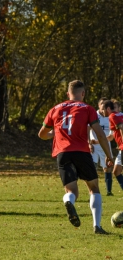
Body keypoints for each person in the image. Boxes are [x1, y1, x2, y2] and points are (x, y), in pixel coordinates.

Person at [38, 80, 113, 235]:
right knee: (93, 188)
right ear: (83, 93)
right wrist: (109, 155)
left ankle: (68, 201)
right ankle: (97, 226)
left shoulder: (55, 109)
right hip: (82, 152)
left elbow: (42, 134)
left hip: (63, 153)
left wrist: (56, 133)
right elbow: (99, 133)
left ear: (67, 94)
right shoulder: (87, 109)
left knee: (72, 191)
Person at [89, 97, 113, 196]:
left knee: (108, 168)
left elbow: (112, 136)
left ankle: (109, 191)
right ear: (99, 105)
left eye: (105, 104)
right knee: (92, 168)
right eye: (101, 104)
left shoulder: (111, 117)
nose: (103, 106)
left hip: (105, 145)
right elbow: (87, 129)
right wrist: (89, 142)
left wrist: (99, 141)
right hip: (93, 146)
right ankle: (93, 190)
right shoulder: (93, 115)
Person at [102, 100, 123, 190]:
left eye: (103, 109)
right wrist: (99, 141)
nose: (102, 112)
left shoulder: (112, 116)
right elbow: (112, 136)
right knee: (116, 171)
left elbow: (121, 127)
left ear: (108, 109)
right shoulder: (119, 115)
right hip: (120, 148)